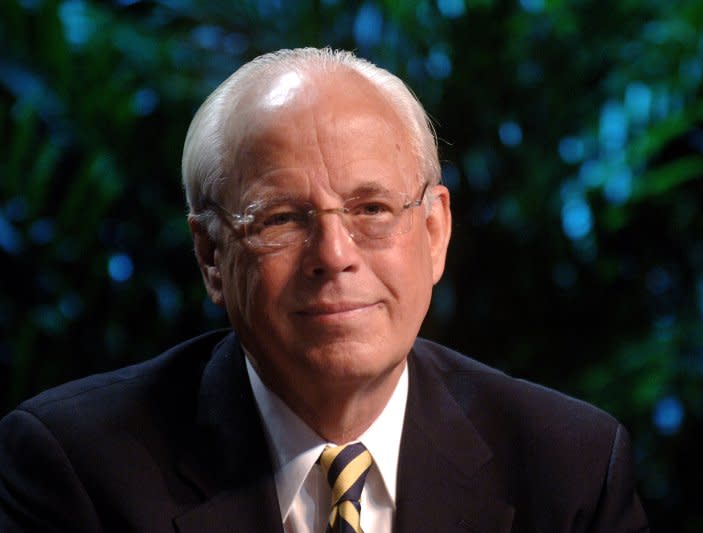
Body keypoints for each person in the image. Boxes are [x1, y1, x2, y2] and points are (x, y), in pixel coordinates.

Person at [0, 47, 648, 532]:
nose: (334, 256)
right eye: (281, 218)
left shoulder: (572, 469)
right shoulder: (76, 468)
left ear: (434, 231)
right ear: (210, 255)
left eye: (370, 209)